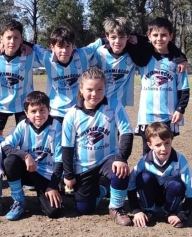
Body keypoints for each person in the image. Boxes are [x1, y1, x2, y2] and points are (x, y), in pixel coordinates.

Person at [62, 67, 134, 226]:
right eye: (90, 89)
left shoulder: (114, 105)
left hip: (108, 159)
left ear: (105, 88)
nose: (95, 94)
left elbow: (127, 133)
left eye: (99, 89)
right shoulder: (72, 115)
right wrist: (68, 175)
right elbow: (67, 148)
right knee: (84, 208)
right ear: (81, 88)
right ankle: (103, 188)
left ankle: (116, 207)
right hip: (84, 166)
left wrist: (121, 158)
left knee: (120, 171)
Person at [91, 16, 188, 108]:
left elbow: (160, 43)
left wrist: (180, 57)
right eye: (113, 37)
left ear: (128, 37)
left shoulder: (132, 52)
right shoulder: (98, 52)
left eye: (122, 37)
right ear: (107, 36)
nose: (117, 41)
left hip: (119, 107)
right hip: (96, 104)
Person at [0, 91, 63, 220]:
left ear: (49, 109)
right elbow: (5, 146)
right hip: (28, 170)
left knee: (53, 212)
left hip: (47, 174)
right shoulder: (22, 126)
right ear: (26, 113)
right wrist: (25, 156)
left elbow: (60, 160)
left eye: (42, 110)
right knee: (10, 161)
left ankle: (48, 192)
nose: (38, 115)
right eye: (33, 111)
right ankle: (19, 201)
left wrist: (52, 185)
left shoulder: (57, 127)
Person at [134, 17, 190, 155]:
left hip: (168, 116)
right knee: (148, 152)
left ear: (170, 36)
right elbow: (130, 40)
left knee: (164, 150)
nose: (159, 39)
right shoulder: (144, 57)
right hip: (147, 116)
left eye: (164, 35)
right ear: (149, 36)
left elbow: (184, 88)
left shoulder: (176, 62)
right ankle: (146, 176)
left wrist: (180, 109)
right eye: (155, 35)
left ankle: (165, 176)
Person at [127, 122, 192, 228]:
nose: (163, 148)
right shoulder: (145, 161)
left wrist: (182, 215)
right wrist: (136, 210)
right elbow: (130, 185)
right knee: (143, 177)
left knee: (176, 184)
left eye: (167, 143)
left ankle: (169, 212)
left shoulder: (180, 160)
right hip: (152, 196)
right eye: (158, 145)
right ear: (149, 145)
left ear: (171, 140)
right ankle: (149, 210)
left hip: (170, 196)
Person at [33, 27, 103, 124]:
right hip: (56, 112)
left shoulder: (82, 54)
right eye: (60, 46)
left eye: (67, 46)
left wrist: (131, 38)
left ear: (73, 46)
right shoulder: (46, 58)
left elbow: (100, 42)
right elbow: (33, 47)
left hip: (79, 109)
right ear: (52, 47)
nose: (64, 50)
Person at [0, 19, 40, 136]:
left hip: (24, 103)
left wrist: (29, 44)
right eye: (8, 37)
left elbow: (48, 52)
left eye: (16, 38)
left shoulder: (29, 55)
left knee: (25, 135)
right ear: (1, 38)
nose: (12, 41)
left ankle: (22, 154)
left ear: (21, 39)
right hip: (1, 103)